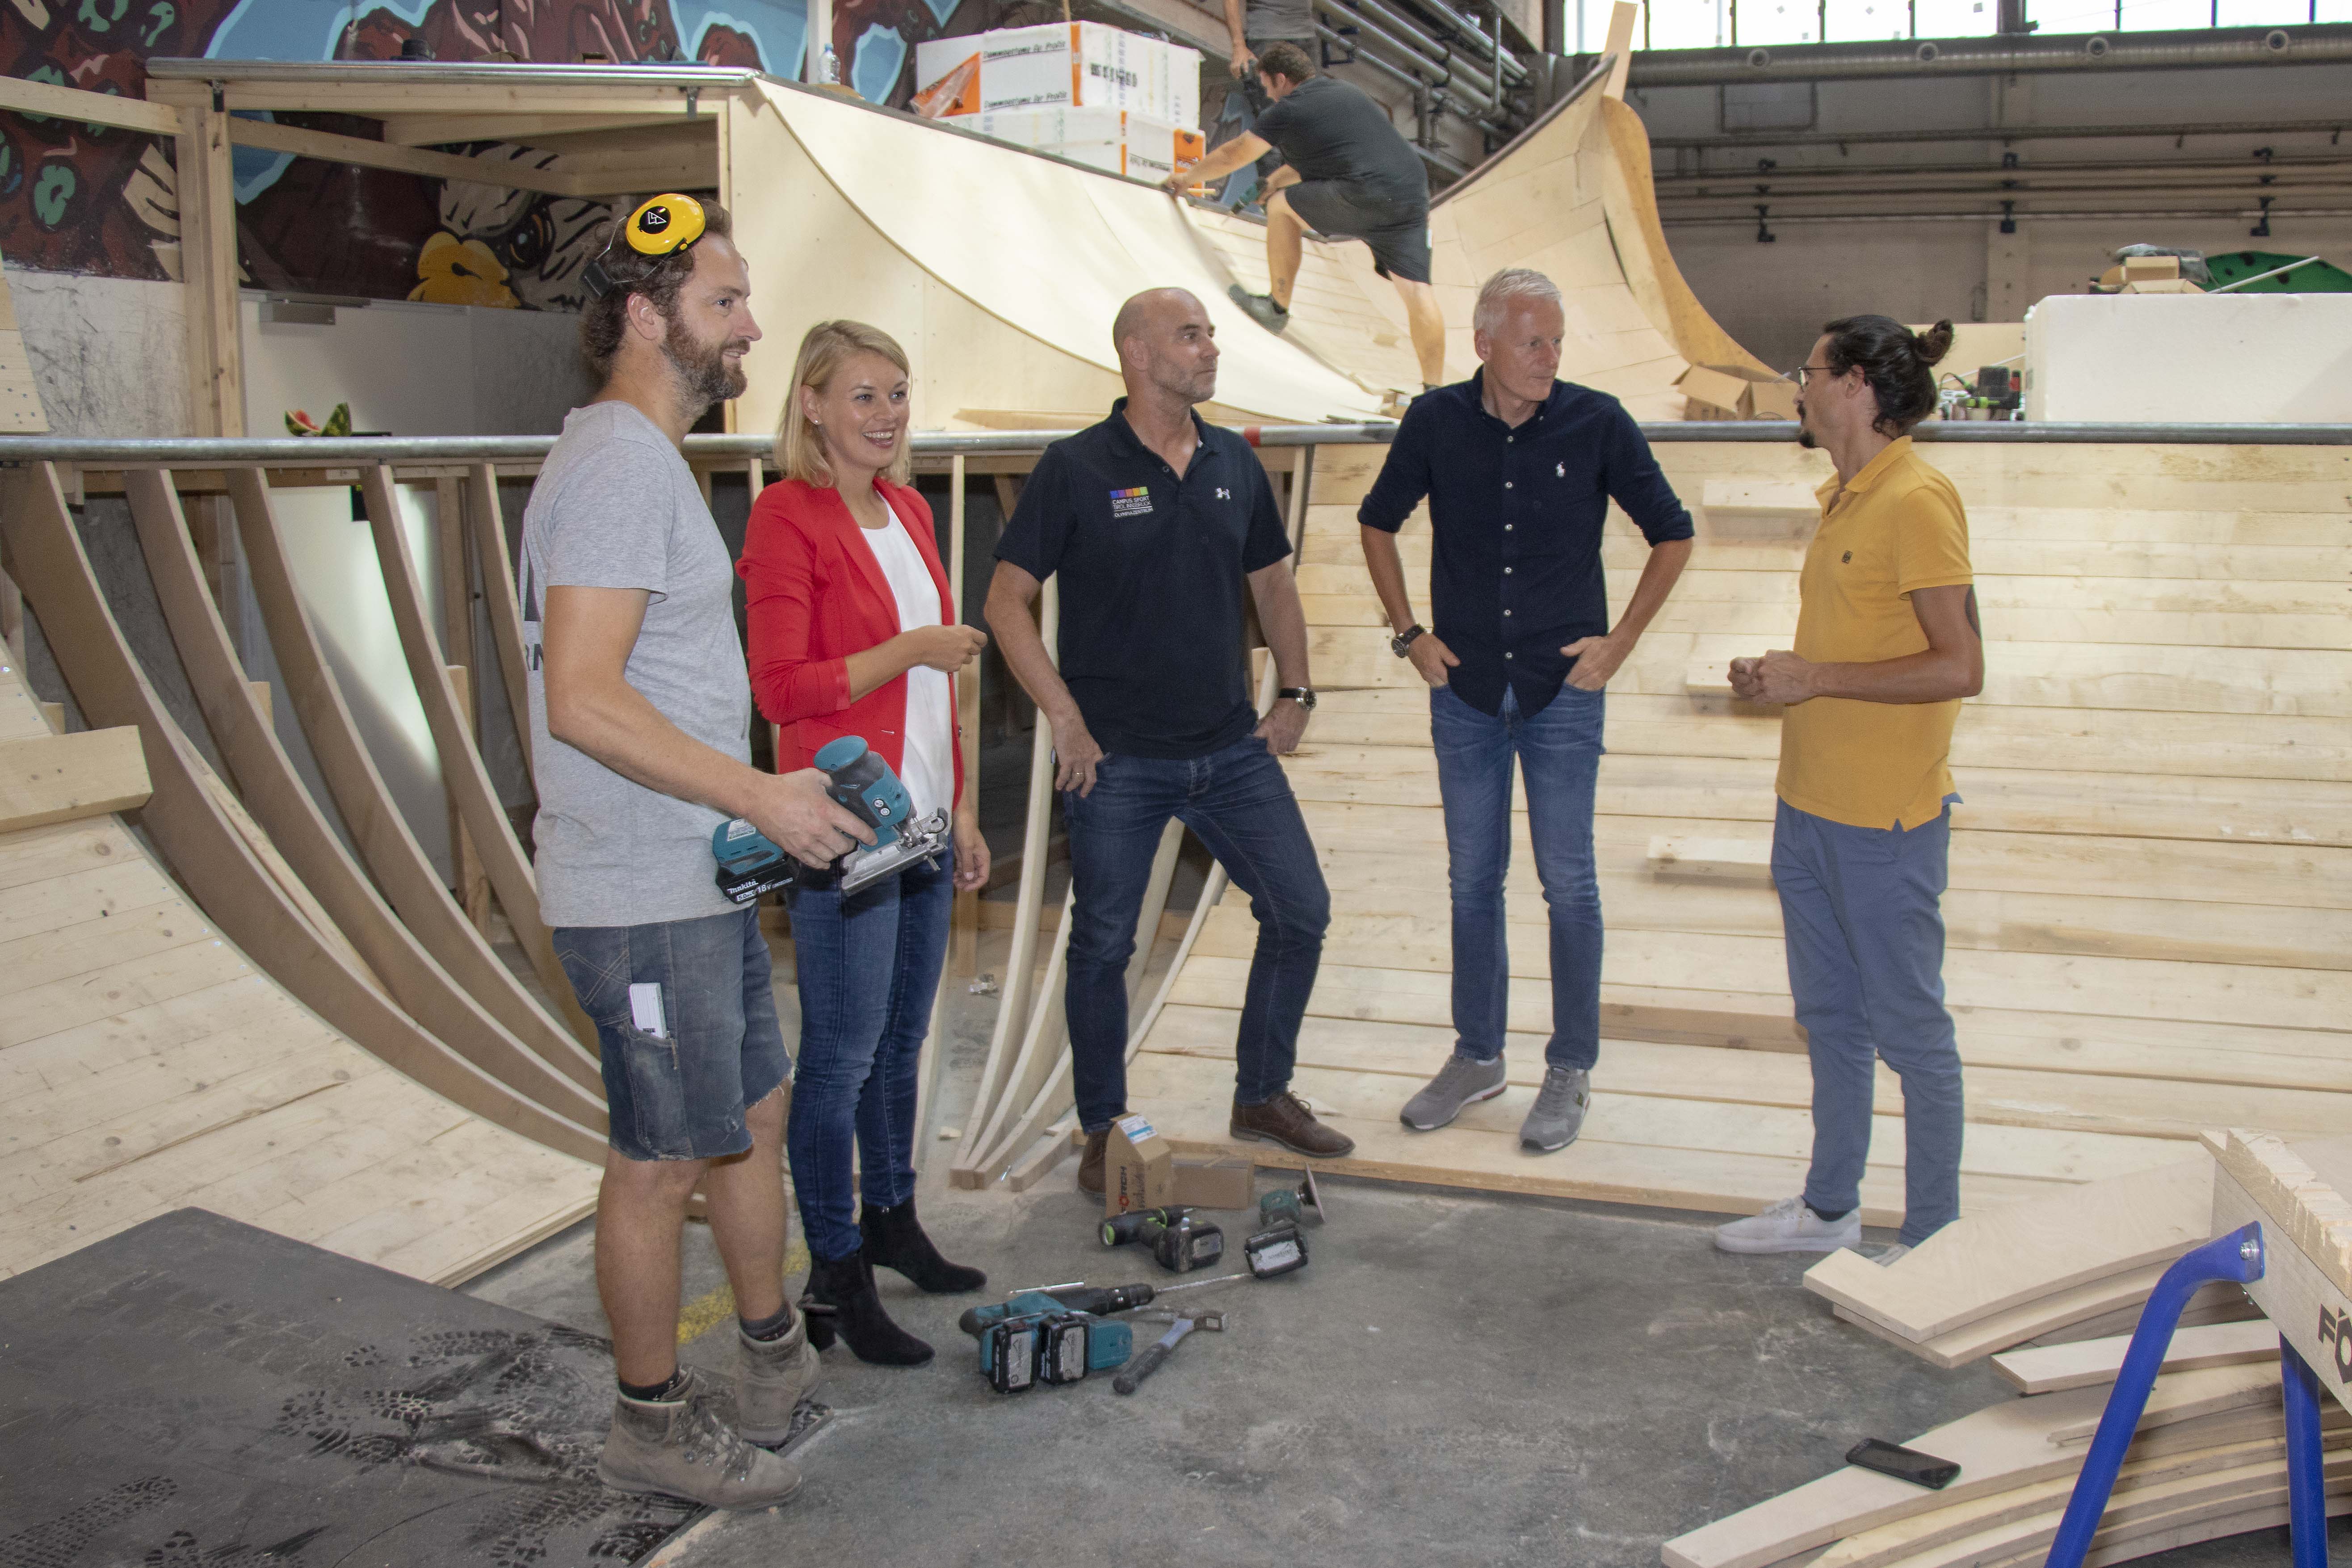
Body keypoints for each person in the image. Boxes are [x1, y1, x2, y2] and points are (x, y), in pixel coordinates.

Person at [524, 193, 875, 1509]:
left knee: (752, 1115)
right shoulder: (619, 466)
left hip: (694, 871)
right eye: (723, 303)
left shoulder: (640, 460)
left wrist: (747, 811)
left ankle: (771, 1357)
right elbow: (582, 696)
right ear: (643, 313)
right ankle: (649, 1420)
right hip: (639, 889)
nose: (750, 328)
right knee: (659, 1154)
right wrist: (763, 795)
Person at [984, 286, 1351, 1193]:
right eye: (1190, 335)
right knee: (1102, 945)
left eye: (1210, 333)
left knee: (1299, 910)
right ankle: (1103, 1126)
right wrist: (1063, 716)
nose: (1210, 348)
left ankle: (1261, 1092)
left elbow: (1273, 584)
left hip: (1229, 750)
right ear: (1138, 353)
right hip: (1117, 760)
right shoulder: (1076, 466)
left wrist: (1296, 690)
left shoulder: (1234, 460)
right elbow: (1004, 601)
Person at [1356, 268, 1693, 1154]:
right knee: (1472, 881)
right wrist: (1408, 633)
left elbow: (1673, 531)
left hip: (1561, 693)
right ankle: (1477, 1054)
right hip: (1464, 690)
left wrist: (1619, 641)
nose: (1550, 356)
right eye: (1532, 341)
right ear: (1483, 345)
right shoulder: (1434, 422)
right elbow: (1376, 521)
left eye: (1556, 341)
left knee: (1568, 883)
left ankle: (1570, 1064)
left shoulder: (1597, 422)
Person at [737, 321, 992, 1367]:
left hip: (922, 820)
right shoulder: (783, 516)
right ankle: (834, 1269)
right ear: (811, 403)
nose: (886, 414)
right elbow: (781, 687)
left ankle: (891, 1217)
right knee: (838, 1057)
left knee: (899, 1042)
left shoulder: (909, 508)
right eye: (862, 395)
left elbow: (938, 696)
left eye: (897, 393)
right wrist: (910, 647)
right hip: (844, 828)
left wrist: (961, 808)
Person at [1711, 316, 1980, 1267]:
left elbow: (1959, 665)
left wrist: (1815, 677)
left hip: (1884, 821)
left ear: (1856, 384)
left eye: (1810, 370)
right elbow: (1854, 646)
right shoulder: (1843, 497)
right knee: (1828, 1017)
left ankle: (1934, 1235)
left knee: (1910, 1031)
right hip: (1809, 804)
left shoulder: (1917, 499)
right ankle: (1829, 1206)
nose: (1799, 387)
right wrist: (1779, 677)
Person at [1159, 42, 1446, 391]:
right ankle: (1434, 390)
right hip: (1411, 194)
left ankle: (1276, 309)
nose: (1268, 95)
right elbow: (1333, 154)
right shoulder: (1345, 92)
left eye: (1267, 86)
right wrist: (1274, 180)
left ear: (1281, 79)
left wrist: (1188, 178)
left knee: (1280, 206)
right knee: (1417, 291)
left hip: (1365, 192)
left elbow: (1236, 154)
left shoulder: (1289, 109)